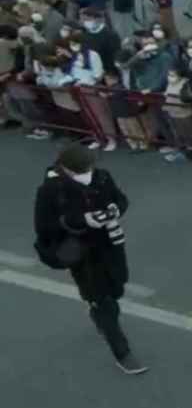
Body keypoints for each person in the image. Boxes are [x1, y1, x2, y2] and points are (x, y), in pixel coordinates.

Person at [33, 144, 146, 374]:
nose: (88, 174)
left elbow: (120, 199)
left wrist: (115, 209)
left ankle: (97, 312)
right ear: (65, 168)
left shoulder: (102, 177)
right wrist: (82, 220)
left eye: (89, 169)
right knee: (103, 300)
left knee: (116, 288)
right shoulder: (50, 191)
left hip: (110, 245)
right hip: (81, 252)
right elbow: (44, 227)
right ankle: (122, 353)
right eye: (82, 171)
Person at [81, 8, 121, 73]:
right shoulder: (85, 35)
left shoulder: (110, 35)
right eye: (83, 20)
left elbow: (114, 56)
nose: (84, 22)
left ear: (97, 19)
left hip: (106, 71)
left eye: (87, 20)